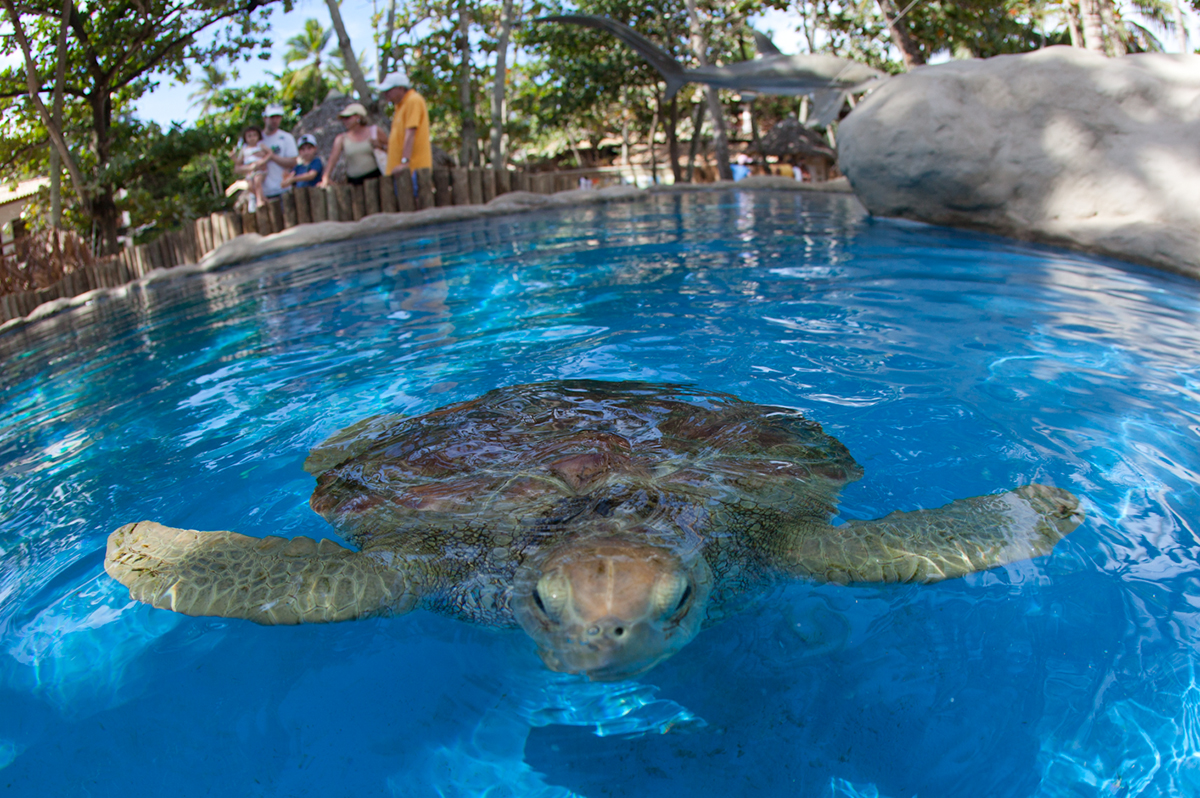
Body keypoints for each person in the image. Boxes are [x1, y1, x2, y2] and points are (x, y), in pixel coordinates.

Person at [319, 103, 388, 187]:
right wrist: (325, 177)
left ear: (358, 117)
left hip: (376, 179)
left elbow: (391, 150)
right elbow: (332, 159)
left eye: (348, 118)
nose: (345, 121)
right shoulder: (342, 138)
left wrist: (381, 146)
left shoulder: (375, 131)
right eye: (343, 119)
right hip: (354, 182)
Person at [378, 70, 431, 179]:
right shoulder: (399, 106)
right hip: (399, 171)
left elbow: (411, 132)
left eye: (389, 90)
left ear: (401, 88)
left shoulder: (413, 100)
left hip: (412, 170)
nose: (386, 94)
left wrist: (404, 162)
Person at [259, 103, 299, 200]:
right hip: (262, 192)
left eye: (278, 117)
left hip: (282, 189)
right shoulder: (257, 139)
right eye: (272, 117)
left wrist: (271, 156)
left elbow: (293, 162)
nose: (275, 120)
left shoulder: (286, 138)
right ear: (265, 118)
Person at [233, 125, 270, 210]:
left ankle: (260, 200)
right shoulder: (244, 149)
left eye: (254, 135)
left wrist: (262, 161)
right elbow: (239, 163)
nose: (252, 138)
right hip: (249, 172)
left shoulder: (260, 146)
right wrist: (233, 158)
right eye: (249, 136)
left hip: (260, 170)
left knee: (257, 182)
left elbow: (269, 153)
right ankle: (262, 198)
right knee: (249, 186)